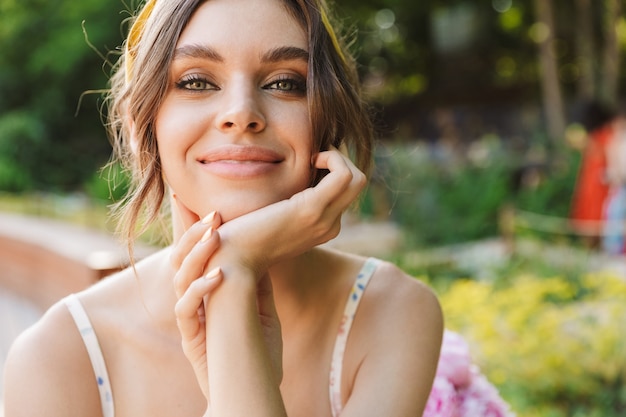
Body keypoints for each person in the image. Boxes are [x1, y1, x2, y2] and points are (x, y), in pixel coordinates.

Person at [4, 1, 445, 416]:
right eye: (196, 81)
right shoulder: (55, 358)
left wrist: (234, 273)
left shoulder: (390, 311)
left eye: (285, 82)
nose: (241, 113)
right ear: (139, 127)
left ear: (329, 118)